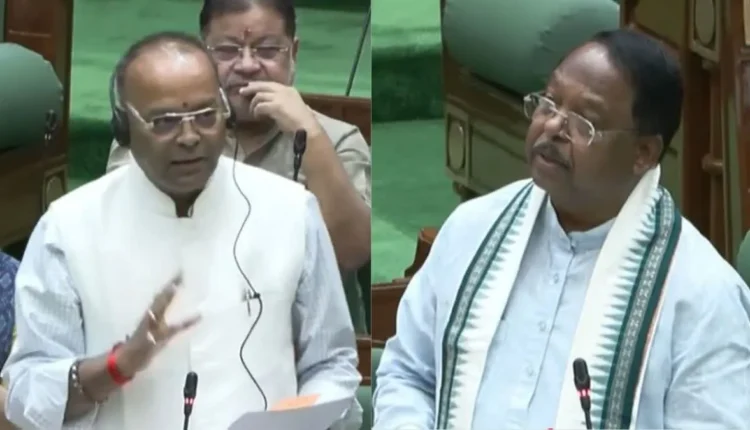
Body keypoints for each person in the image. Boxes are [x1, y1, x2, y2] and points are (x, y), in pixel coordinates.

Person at [373, 29, 750, 429]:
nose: (552, 126)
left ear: (643, 153)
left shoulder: (702, 295)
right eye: (549, 102)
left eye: (584, 122)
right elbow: (408, 373)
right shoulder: (472, 230)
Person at [3, 32, 361, 430]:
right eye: (164, 122)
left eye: (206, 116)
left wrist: (297, 422)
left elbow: (332, 364)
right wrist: (116, 366)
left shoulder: (291, 210)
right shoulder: (68, 227)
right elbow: (27, 392)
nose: (190, 137)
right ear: (124, 126)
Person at [107, 0, 371, 333]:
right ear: (202, 55)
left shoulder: (335, 140)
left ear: (293, 53)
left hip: (302, 341)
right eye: (227, 51)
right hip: (178, 333)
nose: (247, 66)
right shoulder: (152, 133)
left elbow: (351, 252)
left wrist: (311, 137)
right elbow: (125, 238)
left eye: (268, 50)